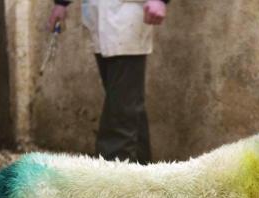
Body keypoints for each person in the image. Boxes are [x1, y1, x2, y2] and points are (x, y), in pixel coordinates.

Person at [48, 0, 169, 164]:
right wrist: (61, 3)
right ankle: (141, 170)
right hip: (99, 16)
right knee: (126, 107)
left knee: (121, 112)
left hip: (127, 16)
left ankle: (112, 173)